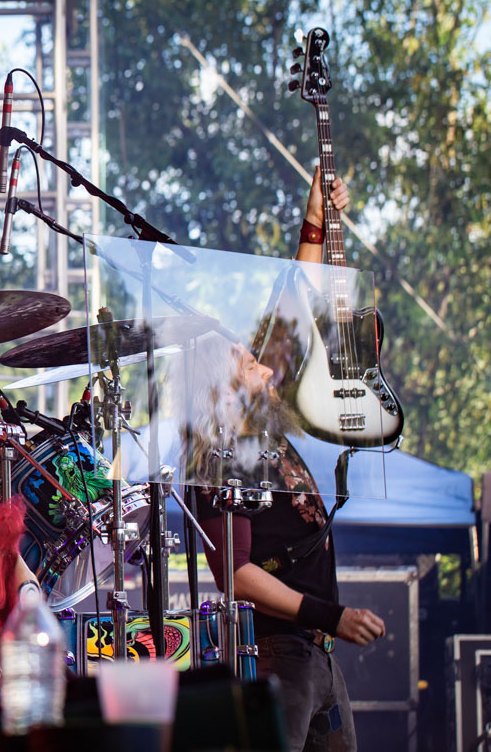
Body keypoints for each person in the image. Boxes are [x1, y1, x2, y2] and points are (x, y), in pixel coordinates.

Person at [190, 169, 386, 751]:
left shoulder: (261, 430)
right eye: (251, 365)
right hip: (283, 653)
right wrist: (330, 616)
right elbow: (236, 573)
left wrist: (317, 221)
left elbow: (292, 320)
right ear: (223, 389)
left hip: (315, 652)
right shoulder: (220, 457)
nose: (269, 369)